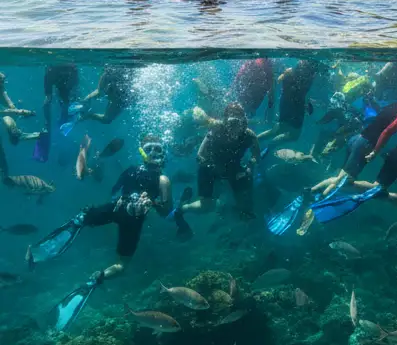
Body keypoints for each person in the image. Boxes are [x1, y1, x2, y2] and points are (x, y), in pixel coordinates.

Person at [28, 135, 172, 268]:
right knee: (122, 264)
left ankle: (76, 229)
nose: (153, 152)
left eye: (157, 149)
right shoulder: (157, 178)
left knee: (84, 218)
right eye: (149, 149)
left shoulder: (138, 172)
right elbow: (165, 212)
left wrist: (141, 202)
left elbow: (115, 192)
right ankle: (94, 279)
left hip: (120, 211)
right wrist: (149, 204)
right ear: (142, 151)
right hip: (130, 218)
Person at [312, 86, 397, 196]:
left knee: (342, 178)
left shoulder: (393, 105)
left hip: (357, 139)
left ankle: (313, 191)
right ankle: (320, 199)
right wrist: (375, 152)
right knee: (343, 182)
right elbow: (386, 132)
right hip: (366, 145)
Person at [182, 103, 260, 217]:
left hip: (234, 168)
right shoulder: (216, 131)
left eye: (238, 117)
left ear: (244, 121)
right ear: (225, 120)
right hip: (210, 169)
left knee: (246, 206)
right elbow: (200, 155)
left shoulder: (249, 135)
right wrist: (212, 167)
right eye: (232, 118)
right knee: (206, 207)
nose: (234, 122)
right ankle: (183, 208)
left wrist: (250, 167)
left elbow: (256, 155)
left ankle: (237, 212)